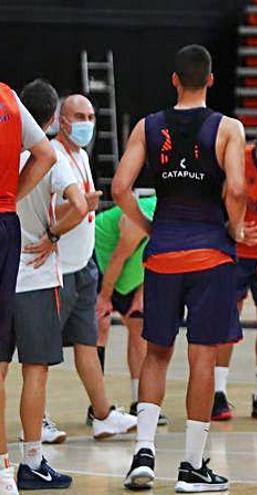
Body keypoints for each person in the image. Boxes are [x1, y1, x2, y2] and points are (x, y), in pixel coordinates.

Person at [116, 44, 248, 492]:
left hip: (164, 252)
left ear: (174, 79)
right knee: (202, 357)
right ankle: (192, 467)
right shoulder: (228, 128)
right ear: (211, 79)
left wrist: (150, 226)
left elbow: (119, 188)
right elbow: (237, 188)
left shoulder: (148, 127)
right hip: (210, 254)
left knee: (156, 352)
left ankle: (144, 454)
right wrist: (234, 228)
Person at [45, 94, 139, 441]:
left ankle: (102, 414)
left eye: (90, 115)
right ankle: (38, 418)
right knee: (41, 348)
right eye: (78, 116)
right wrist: (82, 206)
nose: (86, 122)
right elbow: (52, 215)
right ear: (61, 120)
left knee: (87, 341)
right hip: (56, 269)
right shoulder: (52, 155)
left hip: (84, 266)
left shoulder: (81, 156)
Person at [13, 80, 85, 491]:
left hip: (4, 269)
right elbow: (79, 204)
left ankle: (4, 463)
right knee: (34, 373)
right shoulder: (51, 155)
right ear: (54, 118)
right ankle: (33, 462)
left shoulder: (7, 151)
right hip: (36, 276)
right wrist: (53, 235)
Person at [0, 79, 57, 495]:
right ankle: (7, 469)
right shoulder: (8, 97)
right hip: (7, 225)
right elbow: (46, 154)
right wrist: (10, 196)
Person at [212, 126, 257, 422]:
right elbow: (222, 200)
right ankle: (218, 393)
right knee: (227, 320)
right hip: (236, 251)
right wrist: (233, 229)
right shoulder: (239, 159)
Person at [94, 189, 169, 426]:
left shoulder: (179, 225)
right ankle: (97, 407)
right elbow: (117, 258)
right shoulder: (143, 217)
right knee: (100, 325)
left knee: (139, 326)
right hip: (98, 256)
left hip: (129, 270)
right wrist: (105, 298)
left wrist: (141, 293)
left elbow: (158, 260)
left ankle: (140, 403)